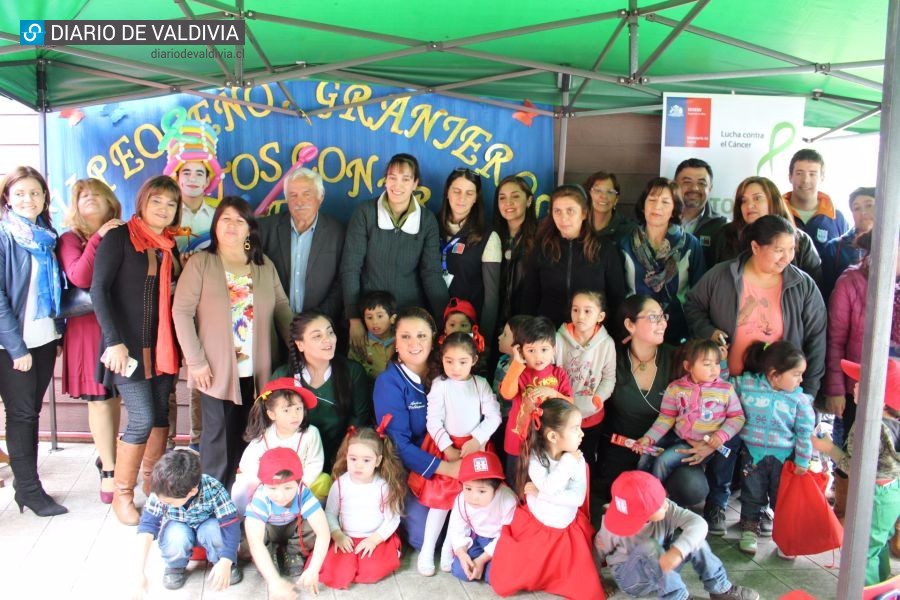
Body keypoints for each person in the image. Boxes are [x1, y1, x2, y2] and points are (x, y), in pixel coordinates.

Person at [173, 196, 293, 490]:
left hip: (259, 370)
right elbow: (182, 312)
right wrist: (196, 361)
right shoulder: (202, 262)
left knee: (251, 438)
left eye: (240, 221)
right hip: (215, 371)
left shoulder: (264, 266)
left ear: (250, 230)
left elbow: (281, 308)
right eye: (225, 219)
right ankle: (215, 505)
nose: (232, 226)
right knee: (217, 440)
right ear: (215, 226)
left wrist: (298, 350)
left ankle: (245, 505)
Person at [92, 175, 182, 525]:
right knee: (142, 418)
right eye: (157, 200)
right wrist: (112, 340)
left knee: (161, 417)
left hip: (161, 349)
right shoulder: (119, 237)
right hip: (125, 348)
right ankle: (122, 493)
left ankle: (153, 487)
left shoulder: (168, 246)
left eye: (171, 204)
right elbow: (99, 291)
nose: (164, 208)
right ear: (142, 202)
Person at [685, 214, 827, 398]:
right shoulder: (721, 275)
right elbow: (692, 305)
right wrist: (709, 331)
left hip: (781, 394)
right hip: (725, 388)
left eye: (791, 249)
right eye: (779, 250)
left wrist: (809, 393)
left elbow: (817, 340)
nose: (787, 258)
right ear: (755, 247)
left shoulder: (803, 285)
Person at [0, 166, 66, 516]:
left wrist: (57, 334)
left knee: (30, 413)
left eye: (35, 193)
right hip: (13, 345)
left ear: (44, 198)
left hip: (43, 339)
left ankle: (27, 484)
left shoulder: (46, 235)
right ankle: (27, 489)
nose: (28, 199)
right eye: (20, 193)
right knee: (22, 414)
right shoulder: (4, 235)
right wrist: (16, 347)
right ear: (7, 197)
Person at [490, 398, 604, 600]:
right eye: (576, 428)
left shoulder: (576, 460)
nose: (582, 433)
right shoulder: (536, 457)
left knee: (589, 592)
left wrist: (542, 494)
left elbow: (576, 499)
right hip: (537, 528)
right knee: (502, 583)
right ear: (553, 435)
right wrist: (554, 480)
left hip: (564, 530)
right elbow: (550, 485)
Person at [633, 339, 745, 534]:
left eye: (717, 363)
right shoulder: (676, 388)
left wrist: (720, 436)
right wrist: (648, 438)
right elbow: (666, 418)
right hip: (684, 442)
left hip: (716, 446)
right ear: (688, 366)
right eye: (706, 364)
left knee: (717, 471)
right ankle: (652, 502)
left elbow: (737, 417)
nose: (714, 369)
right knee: (654, 458)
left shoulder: (725, 389)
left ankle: (709, 507)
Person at [58, 177, 124, 504]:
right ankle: (110, 470)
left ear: (111, 201)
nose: (91, 199)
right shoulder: (70, 238)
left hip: (117, 324)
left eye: (98, 194)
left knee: (112, 395)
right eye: (83, 195)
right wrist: (99, 237)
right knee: (97, 398)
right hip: (87, 329)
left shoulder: (123, 232)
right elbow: (80, 277)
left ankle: (106, 455)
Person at [413, 332, 501, 576]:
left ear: (473, 360)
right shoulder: (440, 385)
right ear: (441, 359)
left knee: (464, 503)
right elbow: (433, 419)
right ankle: (428, 550)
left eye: (462, 361)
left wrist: (477, 439)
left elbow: (494, 415)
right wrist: (447, 448)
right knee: (441, 504)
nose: (455, 367)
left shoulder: (480, 384)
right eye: (449, 361)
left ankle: (451, 550)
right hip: (447, 447)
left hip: (474, 449)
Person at [342, 153, 449, 355]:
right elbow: (350, 267)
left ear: (415, 184)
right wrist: (354, 318)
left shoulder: (426, 221)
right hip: (369, 318)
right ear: (385, 180)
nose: (397, 185)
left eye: (405, 179)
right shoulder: (365, 213)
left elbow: (431, 273)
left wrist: (446, 319)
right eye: (392, 177)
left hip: (409, 318)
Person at [373, 307, 460, 551]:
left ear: (434, 339)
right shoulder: (389, 382)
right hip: (415, 468)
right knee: (424, 539)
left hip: (452, 454)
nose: (414, 343)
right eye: (405, 336)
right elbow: (399, 445)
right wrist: (448, 469)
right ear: (395, 342)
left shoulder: (448, 371)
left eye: (421, 336)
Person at [595, 470, 759, 600]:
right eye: (659, 503)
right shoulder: (612, 528)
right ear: (642, 515)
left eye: (663, 497)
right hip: (634, 582)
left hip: (663, 569)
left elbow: (698, 524)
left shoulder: (667, 508)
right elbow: (595, 552)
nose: (666, 504)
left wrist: (679, 550)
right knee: (649, 547)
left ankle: (720, 589)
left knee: (696, 541)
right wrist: (599, 582)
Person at [813, 359, 900, 586]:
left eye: (861, 383)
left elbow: (858, 468)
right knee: (877, 545)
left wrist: (828, 448)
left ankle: (864, 593)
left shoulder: (868, 426)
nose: (854, 385)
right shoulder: (895, 425)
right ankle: (881, 587)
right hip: (892, 493)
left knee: (862, 552)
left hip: (874, 494)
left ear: (880, 401)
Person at [733, 341, 815, 557]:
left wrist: (803, 460)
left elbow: (805, 432)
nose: (801, 379)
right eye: (796, 374)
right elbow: (724, 383)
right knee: (752, 492)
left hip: (784, 458)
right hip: (752, 454)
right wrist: (722, 361)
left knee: (782, 498)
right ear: (774, 374)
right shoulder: (748, 385)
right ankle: (749, 530)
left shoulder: (799, 400)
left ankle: (785, 537)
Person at [133, 450, 241, 594]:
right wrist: (139, 572)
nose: (163, 502)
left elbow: (230, 524)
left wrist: (227, 560)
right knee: (176, 535)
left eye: (169, 502)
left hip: (207, 525)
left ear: (192, 491)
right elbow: (146, 528)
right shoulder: (160, 491)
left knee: (214, 530)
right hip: (178, 526)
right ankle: (175, 566)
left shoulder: (213, 488)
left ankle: (221, 561)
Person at [168, 158, 219, 453]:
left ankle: (198, 440)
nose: (193, 178)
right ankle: (167, 442)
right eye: (186, 171)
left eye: (200, 172)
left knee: (200, 374)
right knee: (167, 377)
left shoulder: (217, 213)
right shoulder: (166, 212)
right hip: (168, 301)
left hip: (205, 304)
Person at [521, 184, 625, 327]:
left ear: (584, 213)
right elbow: (529, 296)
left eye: (570, 211)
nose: (563, 218)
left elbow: (616, 297)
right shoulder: (542, 249)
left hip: (591, 337)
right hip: (549, 336)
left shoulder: (604, 249)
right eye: (557, 211)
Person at [282, 311, 372, 471]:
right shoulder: (284, 376)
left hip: (342, 459)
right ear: (300, 344)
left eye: (330, 332)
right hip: (296, 462)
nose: (328, 339)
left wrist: (341, 458)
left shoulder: (352, 371)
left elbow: (359, 418)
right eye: (317, 336)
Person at [319, 425, 406, 589]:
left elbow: (392, 518)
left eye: (366, 460)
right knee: (332, 570)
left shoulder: (382, 486)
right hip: (346, 538)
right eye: (353, 459)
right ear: (346, 457)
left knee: (373, 571)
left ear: (377, 461)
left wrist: (374, 540)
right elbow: (329, 513)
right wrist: (338, 535)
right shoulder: (340, 484)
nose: (358, 465)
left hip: (375, 537)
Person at [621, 177, 705, 344]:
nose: (657, 207)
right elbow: (619, 291)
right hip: (637, 329)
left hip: (679, 327)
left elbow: (699, 294)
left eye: (665, 202)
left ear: (674, 209)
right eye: (651, 200)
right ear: (643, 205)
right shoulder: (625, 244)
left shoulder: (689, 244)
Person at [258, 167, 345, 322]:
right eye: (293, 195)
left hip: (321, 326)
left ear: (321, 196)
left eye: (307, 194)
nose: (300, 201)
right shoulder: (265, 228)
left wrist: (317, 320)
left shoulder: (338, 232)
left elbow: (341, 282)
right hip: (274, 324)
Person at [244, 447, 331, 600]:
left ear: (299, 483)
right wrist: (274, 581)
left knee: (316, 524)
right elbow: (255, 542)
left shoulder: (303, 493)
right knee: (246, 539)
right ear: (263, 484)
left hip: (293, 529)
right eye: (273, 488)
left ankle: (293, 552)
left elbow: (323, 533)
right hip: (269, 531)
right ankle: (269, 554)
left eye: (288, 488)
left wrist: (313, 569)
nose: (281, 495)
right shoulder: (261, 498)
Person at [233, 377, 325, 514]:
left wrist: (298, 485)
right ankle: (251, 518)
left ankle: (305, 519)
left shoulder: (310, 433)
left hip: (299, 486)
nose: (295, 415)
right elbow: (247, 464)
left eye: (298, 408)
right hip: (270, 488)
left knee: (324, 481)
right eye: (286, 410)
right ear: (271, 414)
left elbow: (315, 463)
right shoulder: (264, 435)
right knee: (241, 485)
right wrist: (269, 483)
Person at [710, 176, 821, 283]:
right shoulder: (725, 235)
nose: (749, 205)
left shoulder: (802, 241)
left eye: (757, 198)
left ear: (774, 201)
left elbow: (814, 290)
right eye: (743, 201)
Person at [499, 316, 572, 478]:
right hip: (518, 443)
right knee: (515, 483)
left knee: (540, 486)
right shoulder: (519, 372)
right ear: (520, 350)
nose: (538, 356)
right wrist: (517, 363)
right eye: (531, 350)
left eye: (544, 349)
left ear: (554, 349)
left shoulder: (558, 374)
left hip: (547, 443)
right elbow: (506, 393)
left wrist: (554, 393)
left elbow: (570, 404)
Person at [555, 289, 615, 480]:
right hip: (562, 414)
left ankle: (585, 502)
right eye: (575, 310)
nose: (580, 316)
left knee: (586, 459)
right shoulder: (558, 339)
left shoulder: (606, 344)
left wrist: (598, 398)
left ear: (601, 316)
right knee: (560, 459)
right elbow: (552, 372)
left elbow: (609, 378)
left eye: (588, 311)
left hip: (591, 415)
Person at [438, 168, 501, 343]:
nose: (461, 198)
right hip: (433, 323)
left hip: (467, 329)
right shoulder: (430, 225)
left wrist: (484, 339)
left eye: (469, 193)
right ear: (447, 193)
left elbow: (491, 297)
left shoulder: (488, 235)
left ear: (476, 198)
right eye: (456, 191)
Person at [447, 451, 516, 584]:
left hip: (500, 541)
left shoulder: (507, 500)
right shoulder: (461, 500)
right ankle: (483, 568)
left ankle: (487, 568)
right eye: (468, 488)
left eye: (482, 491)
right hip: (477, 538)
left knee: (496, 577)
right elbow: (457, 528)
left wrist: (481, 560)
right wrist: (461, 553)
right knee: (459, 570)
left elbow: (507, 535)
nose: (474, 497)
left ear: (497, 488)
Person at [783, 148, 848, 255]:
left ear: (822, 178)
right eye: (799, 173)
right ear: (790, 177)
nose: (805, 180)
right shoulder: (775, 212)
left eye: (812, 174)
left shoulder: (837, 218)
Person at [492, 175, 538, 325]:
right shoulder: (491, 235)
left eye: (515, 197)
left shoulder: (541, 238)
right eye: (502, 198)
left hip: (528, 322)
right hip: (495, 321)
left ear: (529, 200)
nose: (508, 203)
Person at [820, 186, 876, 300]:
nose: (863, 212)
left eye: (869, 205)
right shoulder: (834, 248)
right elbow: (826, 292)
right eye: (857, 208)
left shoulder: (895, 246)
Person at [673, 158, 726, 266]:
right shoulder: (661, 219)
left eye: (702, 183)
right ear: (675, 185)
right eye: (687, 182)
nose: (694, 188)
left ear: (710, 188)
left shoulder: (722, 227)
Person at [347, 290, 397, 382]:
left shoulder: (400, 341)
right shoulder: (360, 342)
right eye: (369, 317)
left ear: (393, 319)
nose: (374, 322)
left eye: (380, 316)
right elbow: (352, 373)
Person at [584, 171, 637, 241]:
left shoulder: (629, 230)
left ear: (616, 200)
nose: (603, 196)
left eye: (610, 192)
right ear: (587, 194)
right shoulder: (576, 225)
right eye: (597, 191)